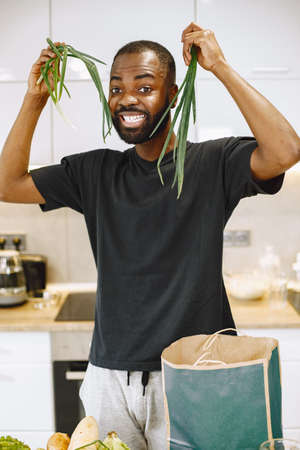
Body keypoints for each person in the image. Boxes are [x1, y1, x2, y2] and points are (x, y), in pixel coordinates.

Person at [0, 22, 299, 450]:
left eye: (144, 86)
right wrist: (34, 100)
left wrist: (220, 67)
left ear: (172, 95)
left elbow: (286, 149)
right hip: (109, 377)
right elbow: (6, 184)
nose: (127, 99)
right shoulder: (95, 172)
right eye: (117, 88)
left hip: (193, 374)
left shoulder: (212, 162)